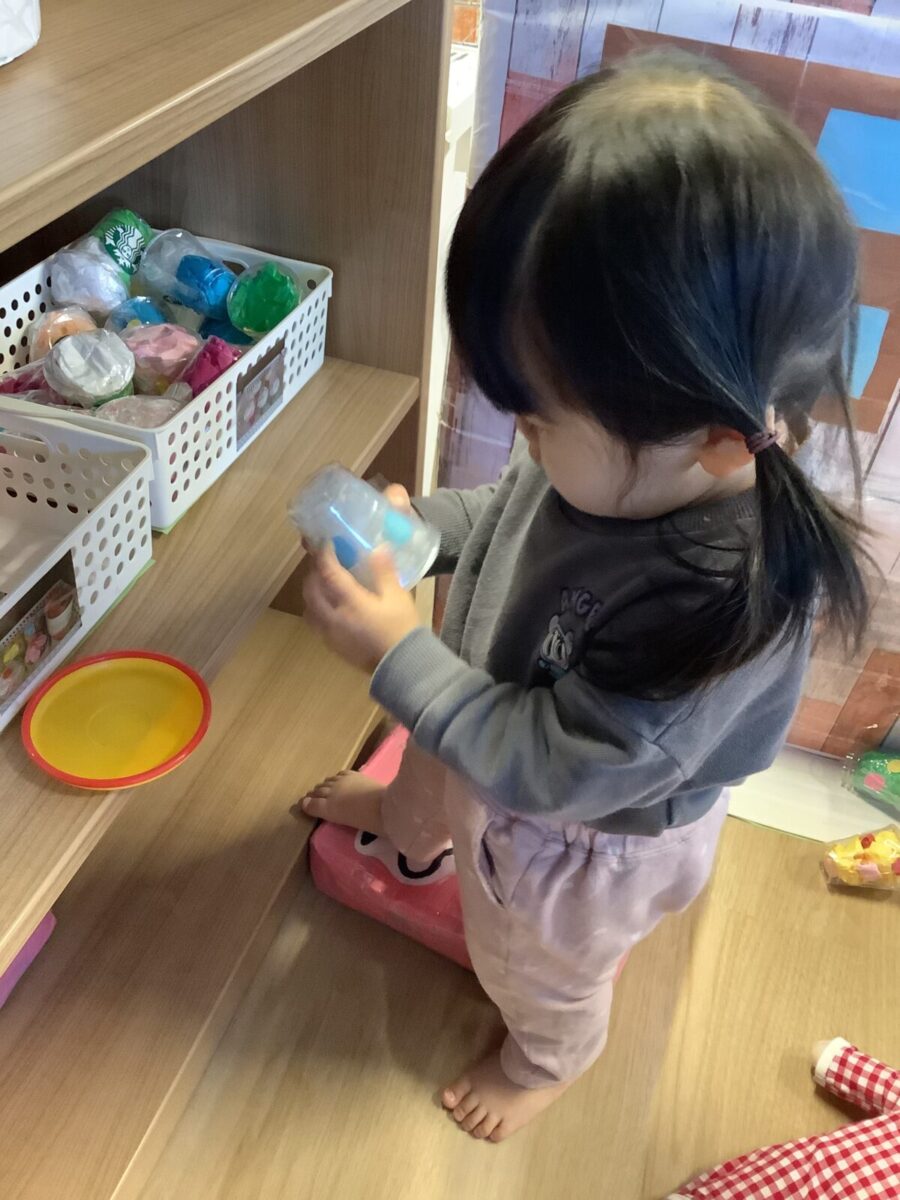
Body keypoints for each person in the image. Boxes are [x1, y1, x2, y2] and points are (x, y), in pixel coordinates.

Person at [298, 52, 869, 1143]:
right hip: (490, 716)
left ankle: (550, 1056)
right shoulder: (642, 453)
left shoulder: (714, 608)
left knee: (535, 961)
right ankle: (407, 824)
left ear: (713, 437)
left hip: (575, 838)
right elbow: (512, 512)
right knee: (430, 755)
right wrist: (425, 535)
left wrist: (398, 658)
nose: (519, 439)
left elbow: (556, 768)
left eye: (535, 419)